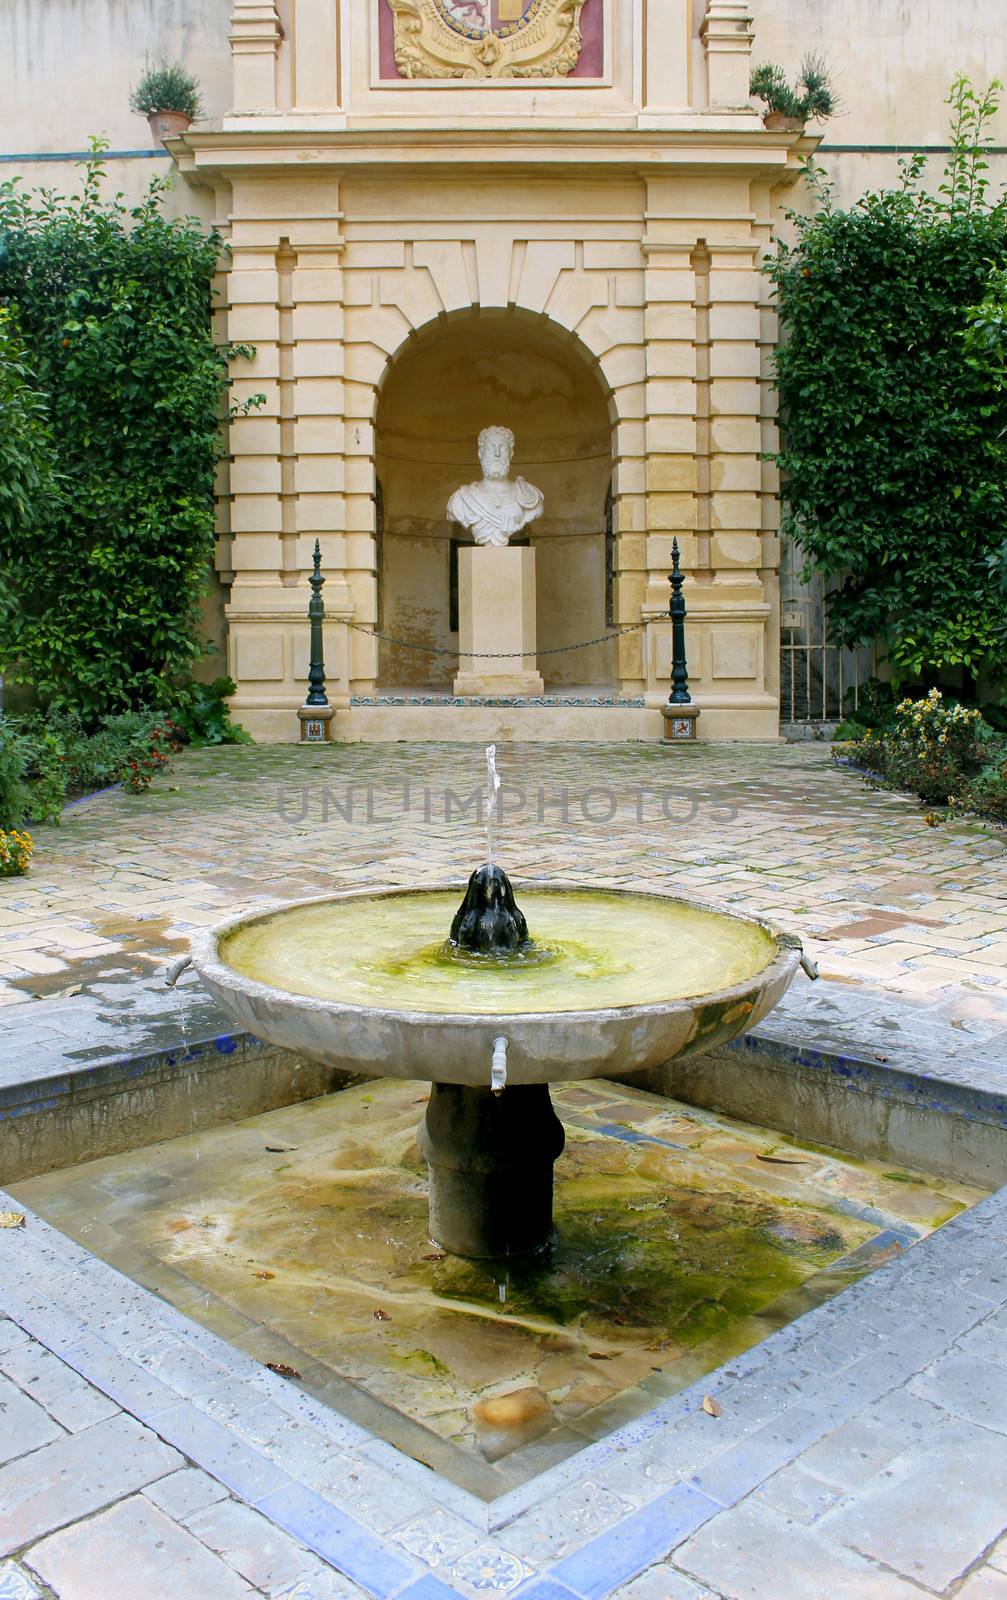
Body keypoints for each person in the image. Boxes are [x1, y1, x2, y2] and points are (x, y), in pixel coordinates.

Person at [447, 425, 544, 547]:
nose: (497, 454)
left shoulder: (529, 495)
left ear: (511, 454)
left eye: (502, 448)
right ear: (480, 453)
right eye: (491, 448)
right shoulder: (462, 499)